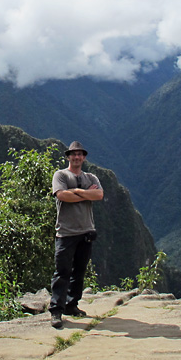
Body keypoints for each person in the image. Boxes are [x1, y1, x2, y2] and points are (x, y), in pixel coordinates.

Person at [49, 141, 103, 329]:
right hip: (66, 232)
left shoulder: (91, 177)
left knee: (79, 272)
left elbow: (99, 195)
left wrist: (76, 192)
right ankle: (56, 310)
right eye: (73, 154)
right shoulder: (61, 175)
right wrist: (85, 193)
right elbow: (62, 196)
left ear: (84, 157)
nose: (77, 157)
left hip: (86, 231)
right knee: (62, 272)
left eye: (80, 154)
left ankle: (72, 305)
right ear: (68, 157)